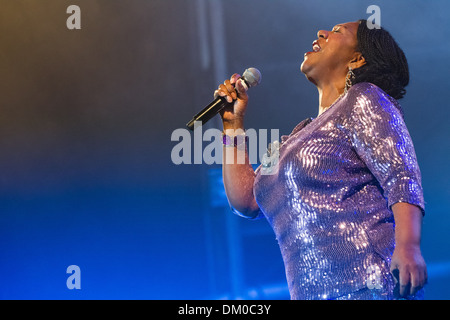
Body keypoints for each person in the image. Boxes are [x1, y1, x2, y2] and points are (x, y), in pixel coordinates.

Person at [215, 19, 427, 300]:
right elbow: (246, 200)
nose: (321, 32)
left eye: (338, 32)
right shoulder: (292, 140)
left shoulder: (362, 98)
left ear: (358, 58)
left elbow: (401, 175)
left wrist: (409, 245)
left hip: (370, 285)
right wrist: (232, 125)